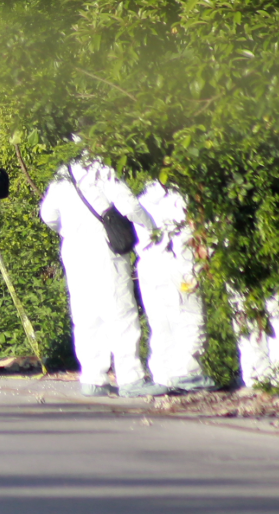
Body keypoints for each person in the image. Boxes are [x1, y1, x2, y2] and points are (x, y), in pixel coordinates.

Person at [40, 154, 170, 397]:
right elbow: (130, 206)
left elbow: (48, 215)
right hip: (103, 247)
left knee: (86, 313)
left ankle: (93, 378)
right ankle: (130, 377)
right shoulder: (101, 170)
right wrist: (152, 229)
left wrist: (69, 229)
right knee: (120, 311)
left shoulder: (63, 173)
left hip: (73, 249)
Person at [133, 182, 217, 392]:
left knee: (161, 324)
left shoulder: (141, 198)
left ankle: (164, 376)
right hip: (178, 264)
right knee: (190, 317)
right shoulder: (180, 198)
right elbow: (190, 235)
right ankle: (188, 374)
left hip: (147, 266)